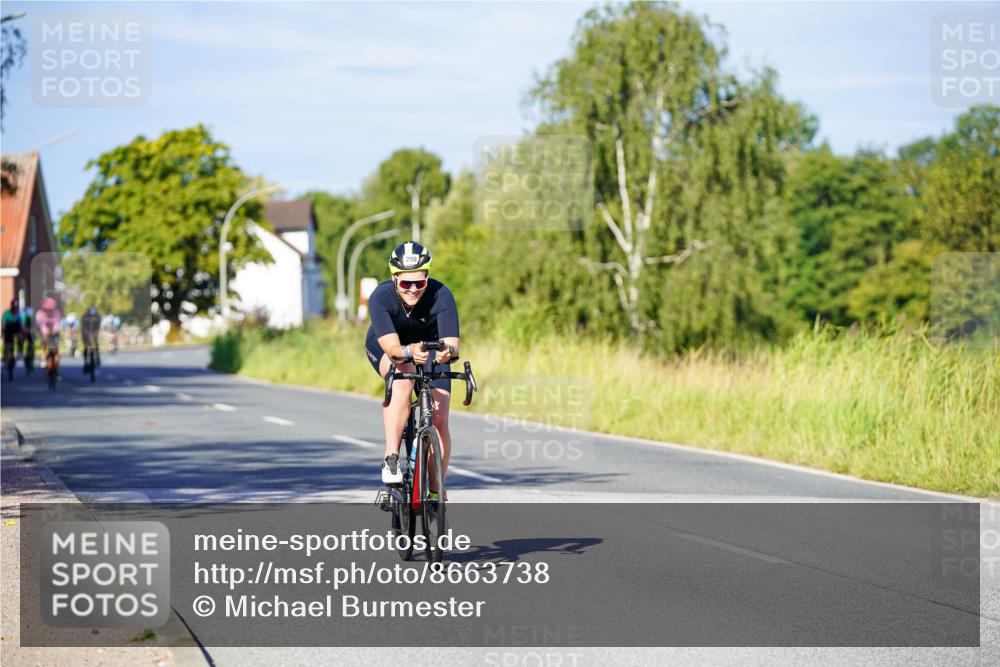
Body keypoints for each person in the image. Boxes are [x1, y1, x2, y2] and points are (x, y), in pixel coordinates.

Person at [365, 242, 459, 496]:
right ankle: (392, 458)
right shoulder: (381, 297)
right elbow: (393, 349)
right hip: (390, 347)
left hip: (429, 349)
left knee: (439, 418)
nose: (414, 289)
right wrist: (408, 352)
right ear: (395, 279)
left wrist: (448, 352)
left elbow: (453, 345)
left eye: (420, 282)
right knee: (403, 376)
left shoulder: (441, 294)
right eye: (406, 283)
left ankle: (436, 488)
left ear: (427, 277)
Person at [36, 296, 63, 367]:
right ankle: (43, 358)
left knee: (56, 347)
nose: (48, 311)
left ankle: (56, 361)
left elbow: (57, 324)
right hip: (44, 332)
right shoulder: (40, 314)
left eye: (50, 309)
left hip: (54, 332)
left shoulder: (56, 313)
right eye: (46, 309)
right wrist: (46, 332)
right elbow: (41, 325)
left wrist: (54, 330)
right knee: (44, 341)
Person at [2, 299, 23, 374]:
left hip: (16, 328)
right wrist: (3, 332)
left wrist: (22, 332)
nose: (15, 309)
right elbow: (4, 324)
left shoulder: (19, 314)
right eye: (14, 307)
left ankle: (19, 351)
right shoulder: (7, 313)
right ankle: (5, 355)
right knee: (7, 342)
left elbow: (21, 324)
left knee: (20, 337)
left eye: (16, 307)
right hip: (8, 328)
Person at [81, 306, 102, 371]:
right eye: (90, 316)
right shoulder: (84, 317)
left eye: (93, 316)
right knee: (86, 346)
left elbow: (98, 326)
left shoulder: (98, 317)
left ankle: (97, 357)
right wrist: (86, 332)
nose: (92, 318)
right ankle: (86, 361)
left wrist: (96, 332)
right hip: (86, 332)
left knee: (96, 343)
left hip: (94, 331)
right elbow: (83, 327)